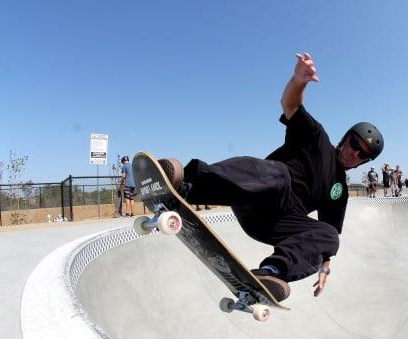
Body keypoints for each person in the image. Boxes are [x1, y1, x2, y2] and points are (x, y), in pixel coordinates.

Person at [159, 53, 384, 301]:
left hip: (274, 226)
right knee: (280, 176)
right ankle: (188, 186)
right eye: (354, 144)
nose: (354, 153)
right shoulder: (316, 138)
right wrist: (299, 80)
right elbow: (290, 105)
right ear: (346, 138)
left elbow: (326, 235)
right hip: (257, 196)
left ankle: (273, 271)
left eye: (363, 154)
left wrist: (325, 267)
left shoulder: (339, 190)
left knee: (331, 235)